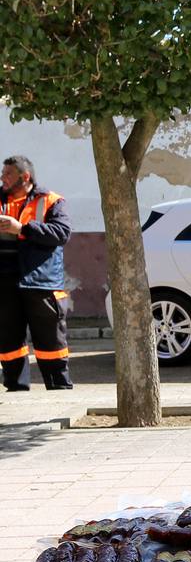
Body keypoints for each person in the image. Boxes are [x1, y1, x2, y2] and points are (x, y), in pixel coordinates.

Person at [0, 155, 73, 391]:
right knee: (8, 337)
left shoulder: (51, 201)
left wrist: (21, 228)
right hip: (5, 280)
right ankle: (16, 387)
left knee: (50, 338)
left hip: (40, 281)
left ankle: (59, 387)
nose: (3, 178)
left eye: (8, 173)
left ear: (25, 177)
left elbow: (61, 233)